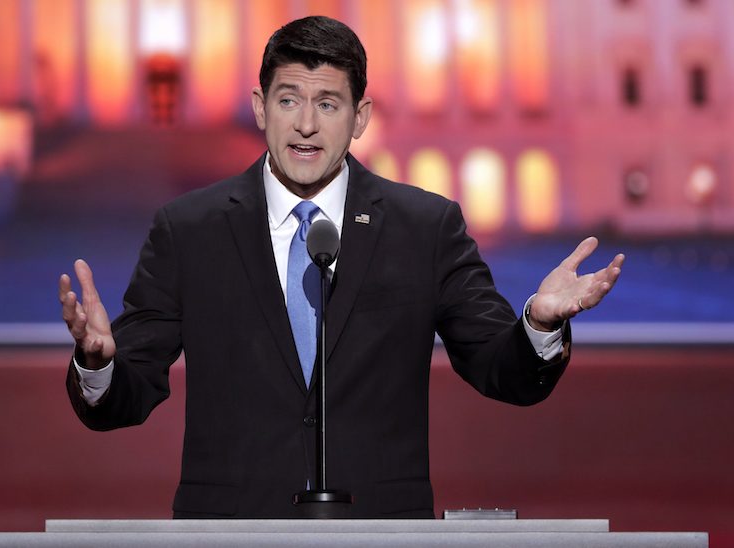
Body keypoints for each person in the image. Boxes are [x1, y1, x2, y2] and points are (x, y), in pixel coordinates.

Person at [59, 16, 624, 518]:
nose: (306, 125)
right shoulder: (188, 229)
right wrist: (97, 364)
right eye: (287, 100)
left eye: (327, 104)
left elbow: (504, 372)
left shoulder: (424, 228)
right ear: (260, 108)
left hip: (381, 528)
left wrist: (540, 324)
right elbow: (123, 398)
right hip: (230, 529)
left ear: (360, 117)